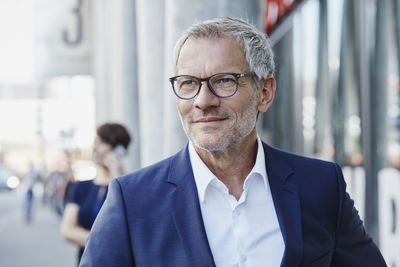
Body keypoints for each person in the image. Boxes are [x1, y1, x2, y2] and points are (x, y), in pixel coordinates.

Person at [79, 17, 386, 267]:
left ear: (264, 93)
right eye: (188, 83)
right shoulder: (133, 201)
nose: (203, 101)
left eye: (224, 81)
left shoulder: (321, 185)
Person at [61, 123, 131, 265]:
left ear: (118, 149)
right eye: (95, 142)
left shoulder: (129, 186)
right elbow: (67, 230)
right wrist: (107, 244)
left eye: (100, 143)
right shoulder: (82, 186)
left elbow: (131, 226)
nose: (94, 148)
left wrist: (117, 174)